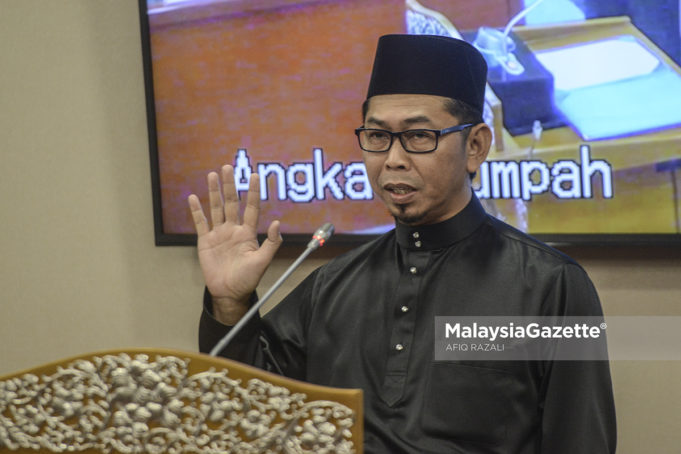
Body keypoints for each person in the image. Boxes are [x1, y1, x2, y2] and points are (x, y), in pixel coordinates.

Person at [188, 34, 616, 453]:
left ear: (476, 146)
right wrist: (230, 303)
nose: (392, 158)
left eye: (418, 136)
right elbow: (249, 414)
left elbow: (580, 438)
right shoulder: (330, 288)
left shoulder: (551, 285)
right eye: (377, 137)